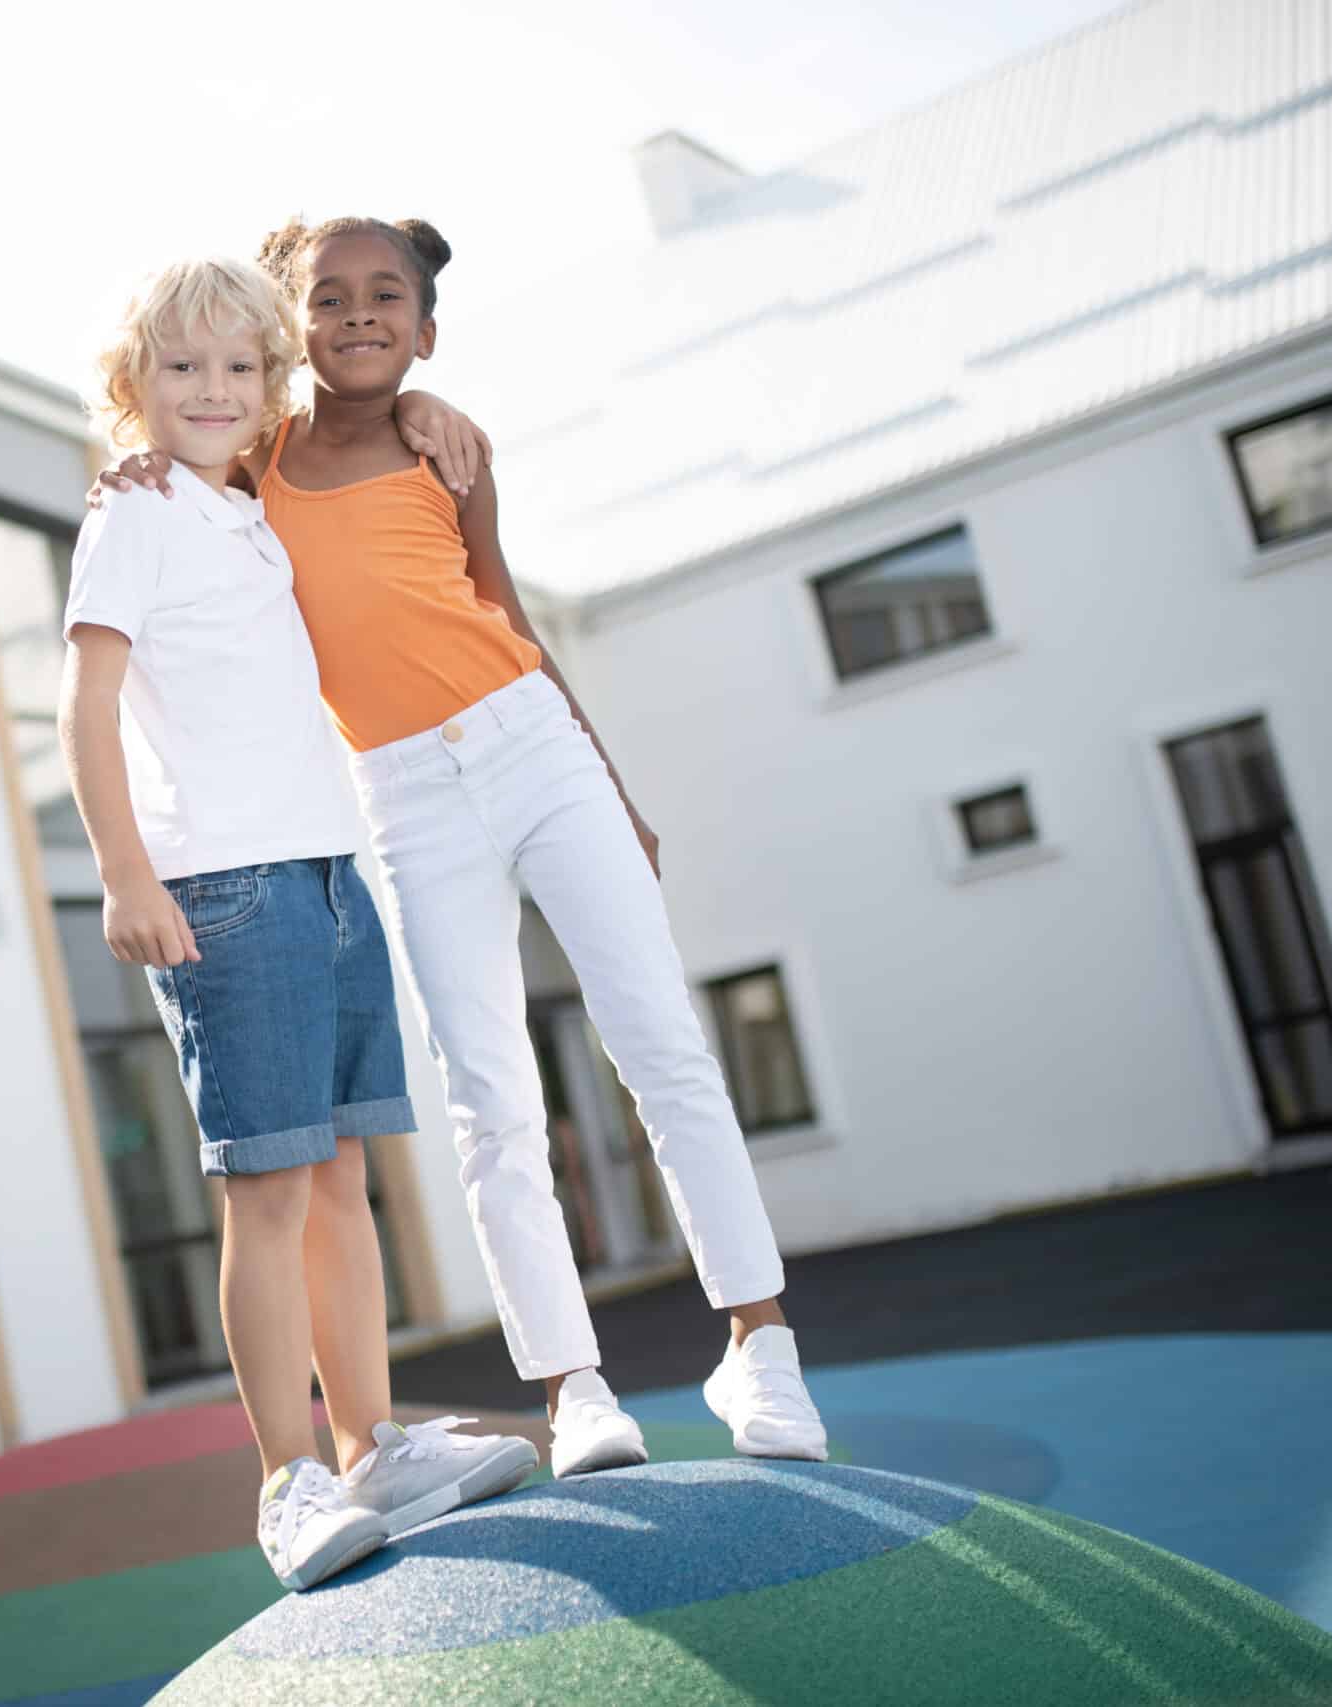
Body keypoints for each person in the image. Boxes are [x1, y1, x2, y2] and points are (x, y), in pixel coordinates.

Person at [105, 216, 829, 1476]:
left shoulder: (448, 450)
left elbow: (511, 618)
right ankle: (573, 1392)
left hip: (532, 743)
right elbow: (178, 438)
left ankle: (758, 1346)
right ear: (293, 331)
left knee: (661, 1042)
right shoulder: (253, 464)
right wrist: (126, 466)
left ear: (425, 330)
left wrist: (611, 786)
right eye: (329, 298)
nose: (359, 315)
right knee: (488, 1098)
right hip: (401, 795)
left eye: (387, 298)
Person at [59, 254, 534, 1592]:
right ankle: (287, 1479)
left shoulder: (252, 507)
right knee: (264, 1190)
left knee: (339, 1179)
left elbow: (351, 416)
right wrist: (125, 875)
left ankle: (370, 1442)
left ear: (270, 383)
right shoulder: (134, 515)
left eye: (237, 367)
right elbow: (84, 706)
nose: (211, 389)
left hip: (328, 875)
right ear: (134, 385)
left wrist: (424, 403)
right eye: (181, 367)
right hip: (222, 888)